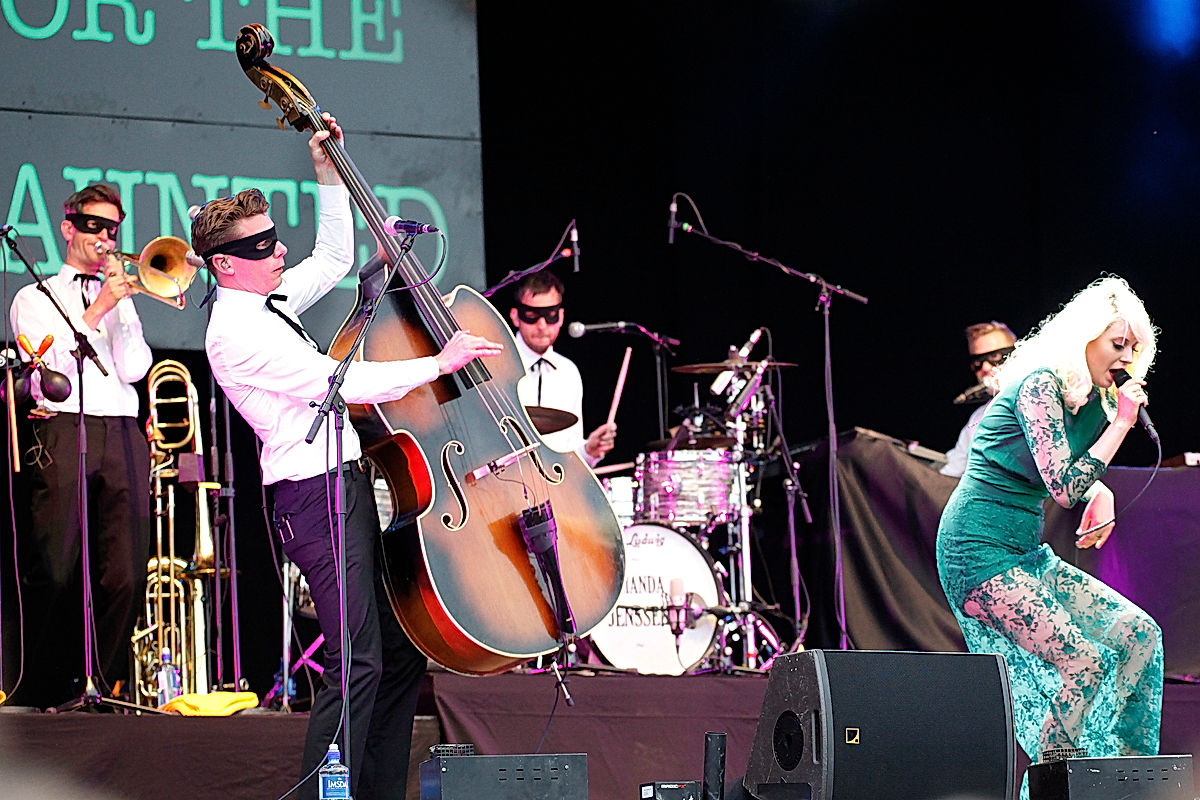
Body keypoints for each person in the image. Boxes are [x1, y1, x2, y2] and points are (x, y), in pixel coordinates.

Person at [193, 115, 503, 800]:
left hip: (343, 483)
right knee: (355, 661)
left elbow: (332, 261)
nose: (279, 253)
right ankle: (322, 795)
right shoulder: (234, 332)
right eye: (263, 247)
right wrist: (440, 361)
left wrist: (326, 170)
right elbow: (344, 384)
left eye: (275, 239)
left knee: (394, 655)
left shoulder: (264, 296)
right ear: (223, 264)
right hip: (311, 499)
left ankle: (377, 790)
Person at [936, 276, 1163, 781]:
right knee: (1081, 663)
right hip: (976, 547)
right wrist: (1122, 427)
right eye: (1116, 343)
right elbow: (1061, 484)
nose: (1125, 356)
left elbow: (1073, 473)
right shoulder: (1042, 384)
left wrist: (1099, 490)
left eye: (1134, 347)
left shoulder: (1099, 399)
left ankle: (1122, 778)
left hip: (1024, 548)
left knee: (1139, 635)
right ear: (1084, 339)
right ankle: (1052, 788)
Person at [9, 183, 153, 707]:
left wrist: (122, 309)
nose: (104, 237)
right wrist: (95, 314)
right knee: (55, 564)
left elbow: (135, 369)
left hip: (121, 429)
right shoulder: (35, 297)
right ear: (69, 227)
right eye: (94, 225)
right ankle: (40, 686)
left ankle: (103, 686)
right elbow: (51, 373)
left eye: (113, 228)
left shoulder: (118, 295)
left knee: (126, 570)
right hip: (65, 428)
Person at [508, 272, 616, 467]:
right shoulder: (499, 364)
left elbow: (572, 458)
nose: (542, 326)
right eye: (531, 316)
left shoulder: (568, 372)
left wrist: (590, 450)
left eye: (550, 315)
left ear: (561, 316)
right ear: (515, 316)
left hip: (558, 488)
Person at [941, 321, 1017, 477]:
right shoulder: (977, 419)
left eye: (995, 356)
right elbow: (951, 472)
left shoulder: (1040, 401)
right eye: (978, 362)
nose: (985, 368)